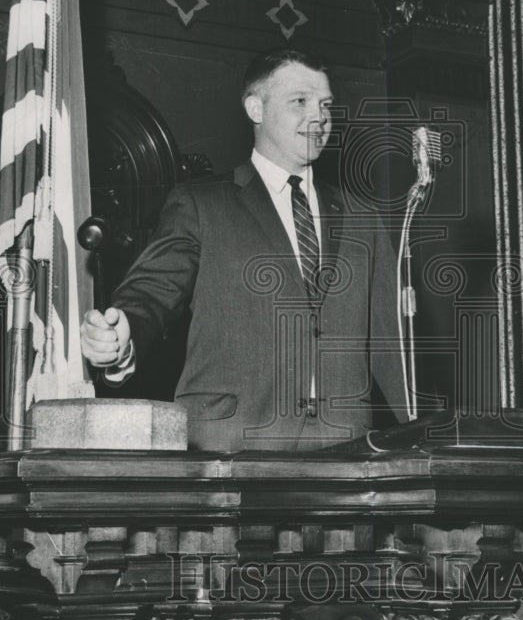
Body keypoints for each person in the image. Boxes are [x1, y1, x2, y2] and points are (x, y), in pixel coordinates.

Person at [80, 48, 406, 452]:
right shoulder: (201, 204)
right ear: (256, 108)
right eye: (300, 101)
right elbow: (151, 290)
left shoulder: (364, 219)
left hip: (345, 456)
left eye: (325, 104)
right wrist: (122, 334)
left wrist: (420, 437)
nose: (319, 116)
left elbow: (396, 348)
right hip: (231, 453)